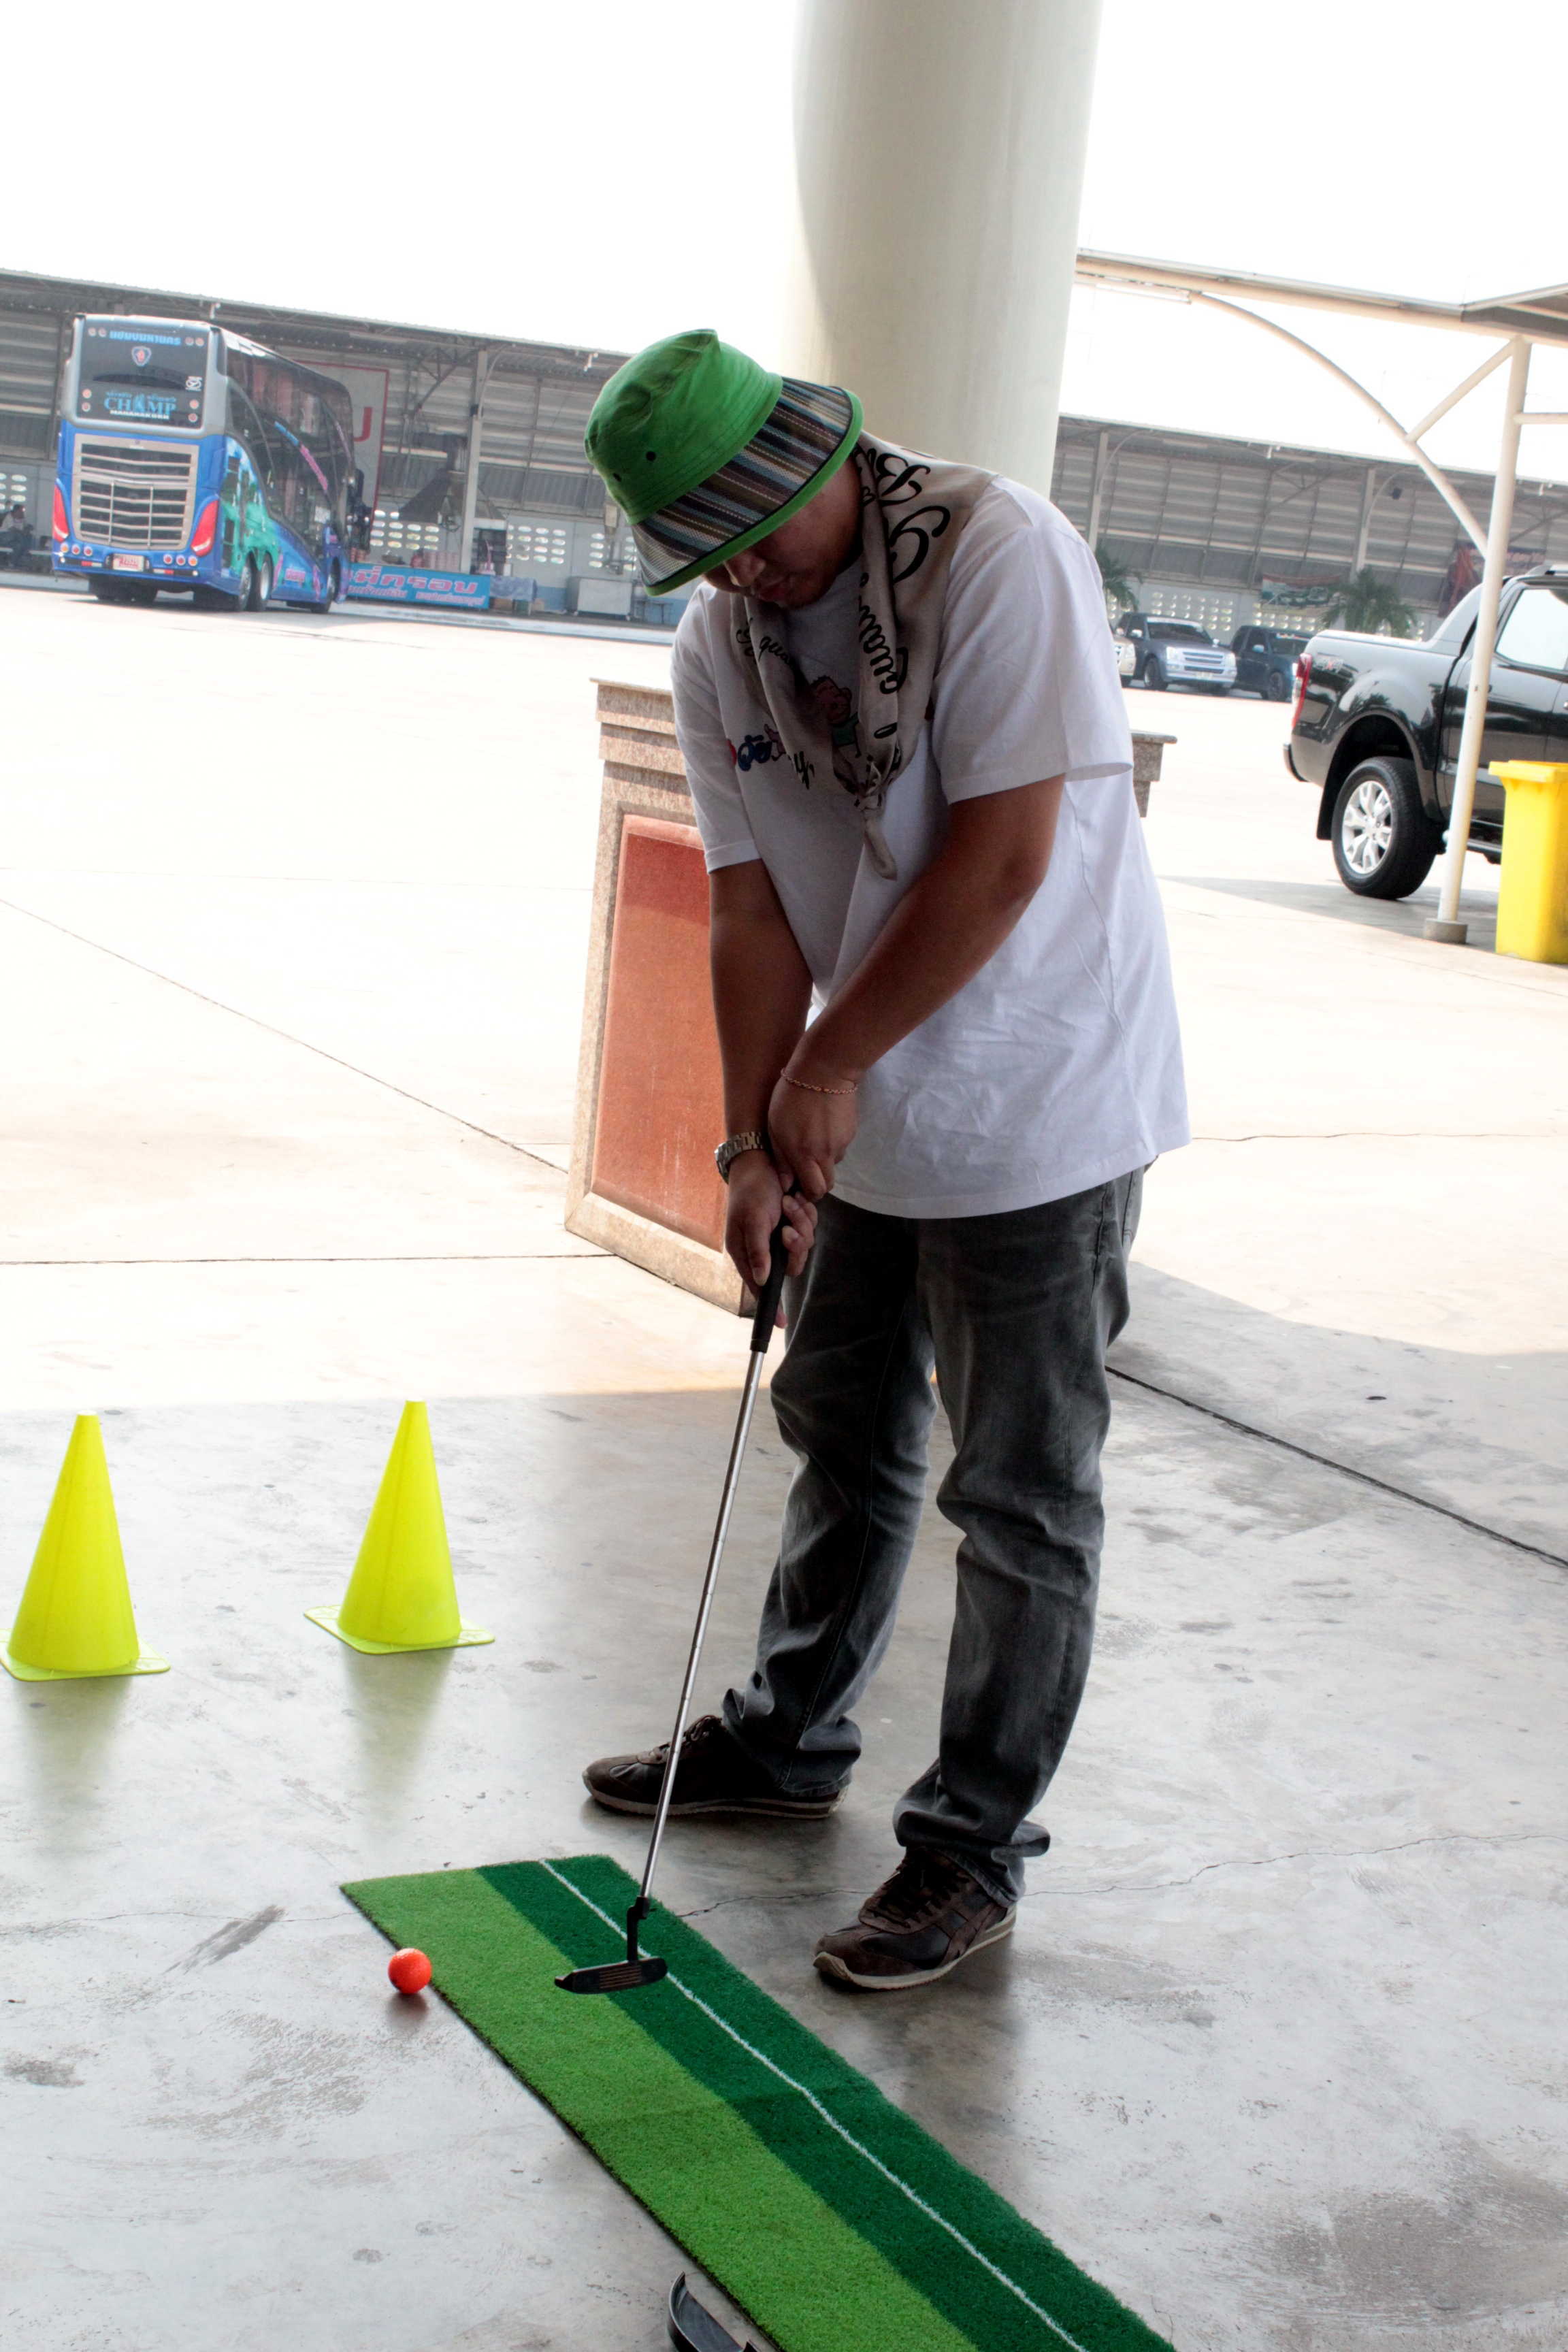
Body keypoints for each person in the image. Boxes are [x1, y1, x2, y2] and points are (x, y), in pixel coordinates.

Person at [579, 330, 1187, 1992]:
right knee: (840, 1426)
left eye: (758, 533)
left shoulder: (995, 553)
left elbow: (1003, 858)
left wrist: (829, 1068)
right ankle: (789, 1739)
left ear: (820, 459)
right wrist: (747, 1134)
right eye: (708, 557)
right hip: (862, 1104)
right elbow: (755, 903)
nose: (745, 577)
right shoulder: (724, 638)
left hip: (1043, 1095)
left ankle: (969, 1850)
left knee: (1021, 1494)